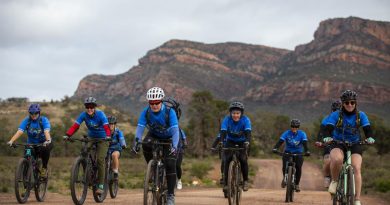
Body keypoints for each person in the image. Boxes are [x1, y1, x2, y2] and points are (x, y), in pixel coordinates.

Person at [323, 90, 375, 205]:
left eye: (352, 102)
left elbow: (367, 129)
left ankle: (357, 199)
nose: (350, 105)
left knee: (356, 167)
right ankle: (335, 181)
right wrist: (327, 137)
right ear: (343, 104)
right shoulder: (336, 114)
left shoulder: (361, 115)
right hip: (338, 142)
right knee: (337, 160)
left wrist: (370, 137)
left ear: (355, 103)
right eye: (347, 103)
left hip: (355, 143)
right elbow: (328, 127)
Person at [131, 87, 179, 205]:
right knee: (145, 144)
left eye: (157, 102)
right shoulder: (146, 112)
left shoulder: (169, 112)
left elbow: (175, 131)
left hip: (169, 137)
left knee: (170, 164)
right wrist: (136, 141)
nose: (154, 105)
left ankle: (170, 195)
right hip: (154, 135)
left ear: (161, 101)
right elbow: (140, 129)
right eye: (151, 103)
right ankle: (151, 167)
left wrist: (174, 146)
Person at [64, 97, 111, 195]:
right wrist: (68, 135)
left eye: (91, 107)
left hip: (103, 139)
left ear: (94, 107)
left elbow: (106, 127)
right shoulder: (83, 115)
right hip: (91, 137)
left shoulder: (101, 115)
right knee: (84, 152)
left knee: (100, 160)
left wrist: (108, 136)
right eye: (87, 107)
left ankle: (101, 186)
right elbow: (75, 126)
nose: (89, 109)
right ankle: (88, 175)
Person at [7, 103, 53, 177]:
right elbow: (20, 131)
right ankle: (26, 177)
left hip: (43, 143)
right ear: (29, 113)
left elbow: (46, 131)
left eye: (36, 113)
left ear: (39, 113)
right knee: (27, 155)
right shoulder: (27, 121)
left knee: (46, 149)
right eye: (31, 113)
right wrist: (11, 141)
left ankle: (44, 168)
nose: (33, 115)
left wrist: (47, 140)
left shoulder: (43, 120)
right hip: (31, 144)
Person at [220, 101, 251, 192]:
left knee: (243, 159)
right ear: (230, 113)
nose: (235, 115)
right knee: (227, 160)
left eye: (237, 113)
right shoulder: (227, 119)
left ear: (241, 113)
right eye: (233, 113)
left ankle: (245, 181)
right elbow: (223, 132)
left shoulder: (246, 120)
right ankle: (226, 183)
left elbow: (248, 133)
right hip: (230, 141)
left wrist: (247, 142)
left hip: (242, 142)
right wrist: (221, 142)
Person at [272, 119, 310, 192]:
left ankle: (297, 184)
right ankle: (285, 178)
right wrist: (275, 148)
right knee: (284, 166)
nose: (294, 128)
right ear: (291, 126)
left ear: (298, 127)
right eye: (292, 126)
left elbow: (305, 143)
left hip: (298, 153)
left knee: (298, 167)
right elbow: (280, 141)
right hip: (288, 152)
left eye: (296, 127)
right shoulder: (286, 133)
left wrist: (307, 151)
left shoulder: (302, 134)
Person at [315, 100, 341, 188]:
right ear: (332, 110)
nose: (336, 112)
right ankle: (327, 177)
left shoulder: (346, 118)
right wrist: (319, 141)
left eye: (338, 110)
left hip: (342, 143)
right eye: (334, 110)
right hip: (329, 143)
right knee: (328, 161)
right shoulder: (327, 119)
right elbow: (321, 132)